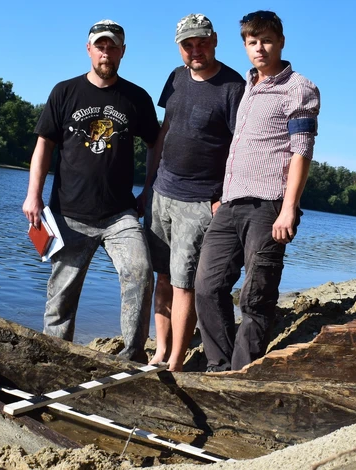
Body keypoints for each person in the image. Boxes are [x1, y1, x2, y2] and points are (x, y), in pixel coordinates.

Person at [22, 19, 160, 362]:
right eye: (100, 45)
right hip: (68, 214)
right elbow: (44, 146)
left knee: (140, 272)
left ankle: (132, 355)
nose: (106, 52)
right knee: (61, 297)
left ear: (123, 52)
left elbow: (155, 144)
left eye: (113, 46)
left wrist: (149, 189)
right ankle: (53, 357)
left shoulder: (137, 98)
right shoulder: (64, 92)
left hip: (119, 215)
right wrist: (33, 195)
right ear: (88, 49)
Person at [194, 10, 321, 372]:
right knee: (206, 285)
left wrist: (289, 208)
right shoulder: (249, 86)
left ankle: (242, 372)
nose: (259, 48)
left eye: (266, 40)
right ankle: (219, 366)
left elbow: (302, 151)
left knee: (256, 295)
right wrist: (223, 194)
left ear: (280, 41)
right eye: (252, 42)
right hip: (231, 203)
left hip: (269, 206)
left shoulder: (298, 87)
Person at [138, 13, 244, 371]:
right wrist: (149, 184)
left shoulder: (233, 87)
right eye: (188, 45)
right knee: (163, 277)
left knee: (185, 284)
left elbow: (239, 148)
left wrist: (222, 197)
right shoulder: (175, 78)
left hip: (199, 200)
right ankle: (160, 351)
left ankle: (177, 363)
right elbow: (164, 131)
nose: (195, 50)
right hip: (161, 192)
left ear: (214, 41)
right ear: (180, 47)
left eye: (201, 42)